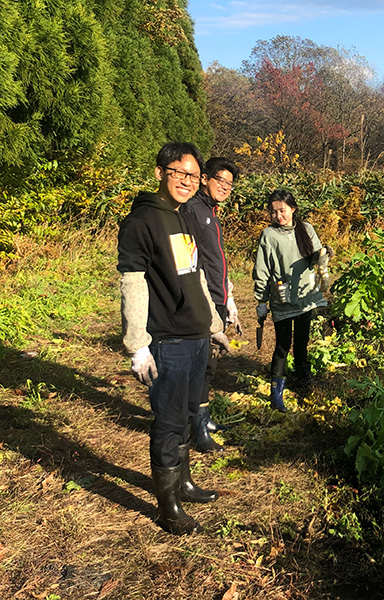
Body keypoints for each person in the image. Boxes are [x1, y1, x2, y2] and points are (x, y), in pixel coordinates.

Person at [117, 141, 232, 535]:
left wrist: (214, 325)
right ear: (160, 173)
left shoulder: (183, 216)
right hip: (168, 339)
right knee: (167, 421)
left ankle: (182, 483)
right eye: (179, 173)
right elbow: (132, 281)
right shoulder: (142, 221)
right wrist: (137, 344)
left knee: (186, 414)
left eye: (193, 175)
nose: (187, 181)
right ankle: (168, 507)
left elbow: (197, 275)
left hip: (196, 334)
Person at [181, 157, 241, 453]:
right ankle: (196, 427)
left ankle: (203, 417)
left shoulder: (210, 211)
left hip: (216, 295)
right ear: (204, 178)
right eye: (221, 181)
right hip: (201, 298)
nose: (226, 187)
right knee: (199, 364)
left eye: (230, 184)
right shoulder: (193, 209)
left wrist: (227, 292)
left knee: (209, 362)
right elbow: (190, 259)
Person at [253, 189, 330, 411]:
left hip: (306, 296)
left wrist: (325, 254)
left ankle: (303, 382)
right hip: (283, 299)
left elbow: (316, 255)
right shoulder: (269, 235)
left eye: (282, 210)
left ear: (293, 209)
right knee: (282, 344)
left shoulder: (306, 229)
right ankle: (276, 391)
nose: (278, 216)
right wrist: (261, 300)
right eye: (274, 212)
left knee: (302, 342)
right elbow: (262, 268)